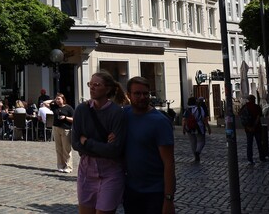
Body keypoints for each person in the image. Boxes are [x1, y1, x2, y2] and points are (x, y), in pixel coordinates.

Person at [72, 71, 127, 214]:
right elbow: (75, 143)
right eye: (91, 84)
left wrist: (87, 142)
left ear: (107, 89)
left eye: (97, 85)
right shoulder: (81, 110)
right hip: (86, 172)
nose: (92, 88)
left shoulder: (116, 113)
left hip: (110, 172)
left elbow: (114, 150)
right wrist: (102, 146)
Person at [123, 76, 176, 214]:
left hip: (155, 193)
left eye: (145, 93)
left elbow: (169, 162)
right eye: (137, 93)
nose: (142, 97)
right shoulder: (125, 114)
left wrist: (169, 199)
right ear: (128, 95)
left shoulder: (160, 122)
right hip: (131, 191)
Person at [46, 93, 74, 172]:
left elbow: (74, 119)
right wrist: (53, 100)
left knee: (66, 149)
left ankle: (68, 167)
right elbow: (45, 103)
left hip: (65, 129)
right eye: (56, 99)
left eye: (59, 99)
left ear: (63, 99)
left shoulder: (68, 108)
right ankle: (60, 166)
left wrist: (65, 118)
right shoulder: (55, 107)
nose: (57, 100)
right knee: (58, 148)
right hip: (56, 128)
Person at [240, 95, 266, 164]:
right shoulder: (257, 107)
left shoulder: (244, 107)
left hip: (248, 129)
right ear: (254, 100)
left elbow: (241, 117)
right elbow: (258, 117)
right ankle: (262, 157)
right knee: (259, 143)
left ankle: (250, 159)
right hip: (257, 128)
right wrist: (254, 126)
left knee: (249, 144)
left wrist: (248, 127)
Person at [182, 96, 210, 162]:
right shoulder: (199, 109)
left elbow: (184, 120)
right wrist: (208, 127)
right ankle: (198, 152)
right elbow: (204, 119)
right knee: (201, 141)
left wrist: (183, 128)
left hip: (189, 127)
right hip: (199, 127)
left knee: (193, 142)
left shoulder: (187, 110)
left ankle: (195, 157)